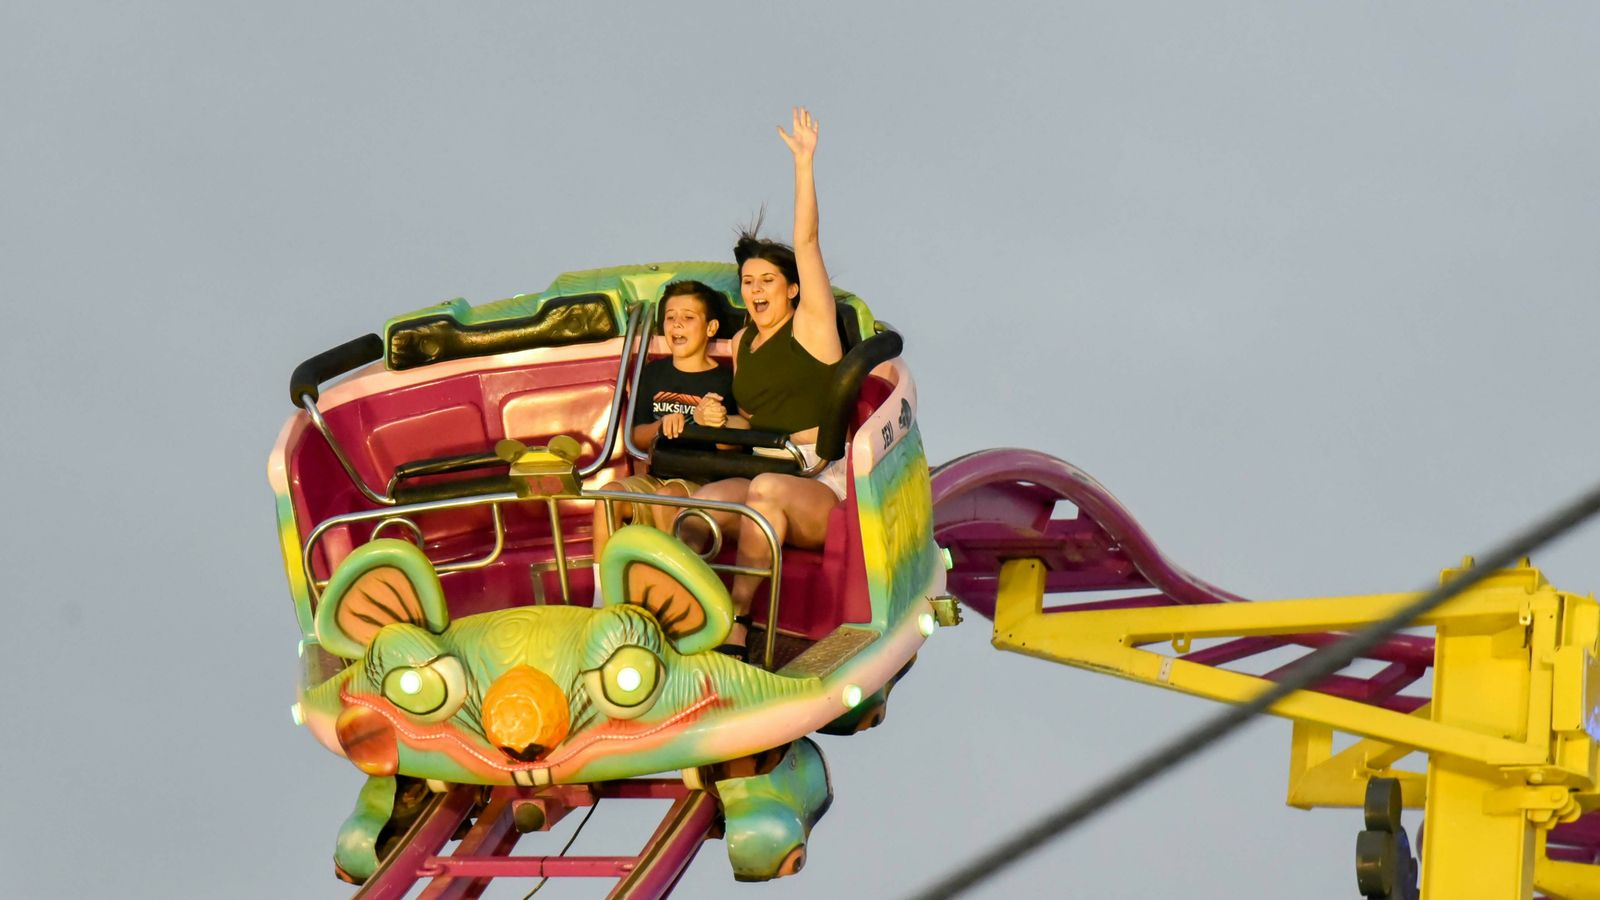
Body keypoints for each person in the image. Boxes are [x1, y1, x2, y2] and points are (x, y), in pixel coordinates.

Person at [692, 107, 846, 656]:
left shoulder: (811, 327)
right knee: (705, 502)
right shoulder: (742, 344)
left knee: (764, 493)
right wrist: (720, 419)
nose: (756, 290)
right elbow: (754, 423)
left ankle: (737, 627)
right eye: (748, 282)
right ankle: (679, 618)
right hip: (765, 465)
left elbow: (807, 244)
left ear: (792, 290)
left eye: (767, 281)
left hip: (822, 480)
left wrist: (804, 163)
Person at [591, 280, 733, 558]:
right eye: (670, 318)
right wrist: (661, 427)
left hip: (701, 483)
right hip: (656, 477)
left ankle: (674, 584)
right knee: (608, 496)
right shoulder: (653, 374)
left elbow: (734, 448)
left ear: (711, 328)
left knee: (666, 499)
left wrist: (713, 426)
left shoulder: (725, 380)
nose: (677, 324)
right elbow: (635, 436)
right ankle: (601, 594)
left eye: (688, 318)